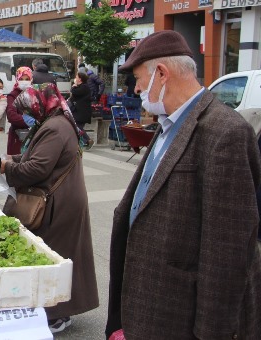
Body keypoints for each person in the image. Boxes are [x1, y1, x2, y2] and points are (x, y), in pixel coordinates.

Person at [105, 30, 261, 339]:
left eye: (138, 79)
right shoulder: (167, 125)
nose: (136, 89)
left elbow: (228, 252)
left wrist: (212, 332)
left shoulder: (224, 132)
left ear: (161, 74)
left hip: (180, 314)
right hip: (147, 305)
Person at [0, 84, 99, 332]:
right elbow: (35, 157)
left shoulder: (54, 128)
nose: (28, 116)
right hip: (62, 199)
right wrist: (12, 160)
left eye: (29, 110)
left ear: (40, 105)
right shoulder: (53, 121)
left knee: (56, 257)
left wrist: (5, 168)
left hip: (59, 204)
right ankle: (57, 308)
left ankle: (57, 313)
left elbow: (36, 168)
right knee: (61, 256)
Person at [5, 66, 34, 155]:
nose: (24, 81)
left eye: (27, 79)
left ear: (31, 79)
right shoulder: (12, 95)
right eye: (21, 79)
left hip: (33, 135)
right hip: (17, 136)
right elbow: (11, 116)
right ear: (17, 79)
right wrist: (28, 120)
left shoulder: (35, 94)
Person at [70, 71, 93, 150]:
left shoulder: (84, 87)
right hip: (79, 111)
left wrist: (74, 86)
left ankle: (88, 140)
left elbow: (74, 92)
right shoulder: (82, 87)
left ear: (80, 79)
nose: (75, 78)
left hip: (82, 112)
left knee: (78, 127)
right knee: (77, 126)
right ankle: (84, 141)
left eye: (76, 77)